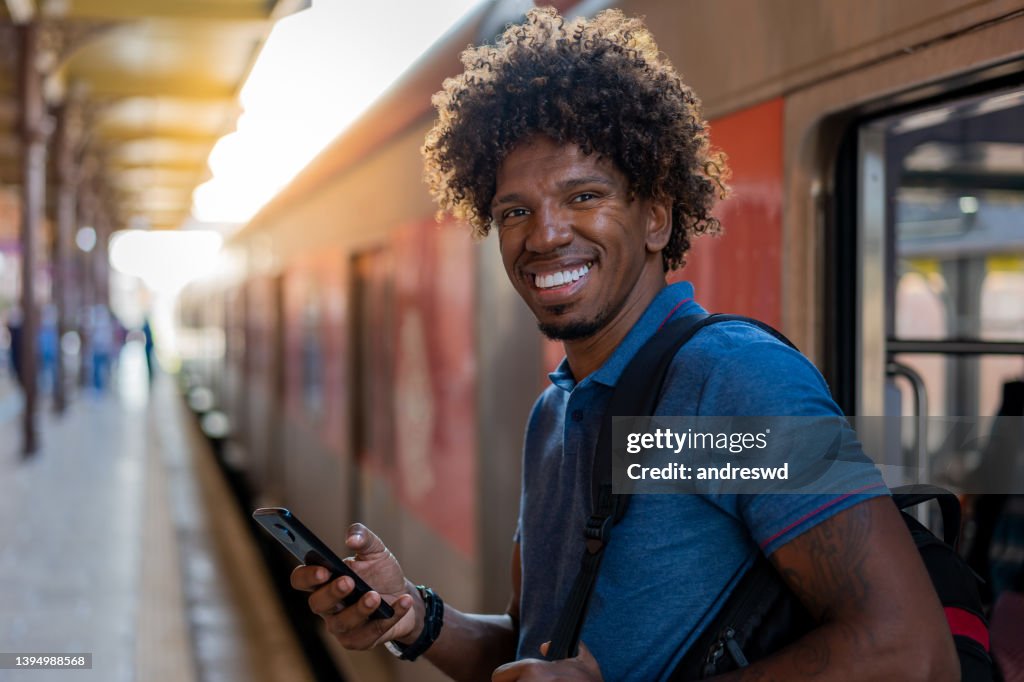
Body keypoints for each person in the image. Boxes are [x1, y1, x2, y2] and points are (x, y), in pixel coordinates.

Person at [292, 9, 958, 681]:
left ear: (657, 218)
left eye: (584, 195)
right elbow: (538, 651)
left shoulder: (733, 383)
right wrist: (414, 616)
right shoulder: (554, 416)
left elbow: (909, 654)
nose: (545, 234)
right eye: (514, 211)